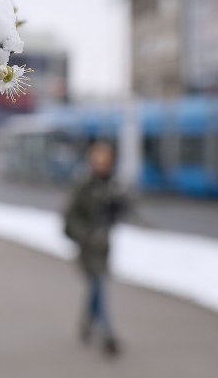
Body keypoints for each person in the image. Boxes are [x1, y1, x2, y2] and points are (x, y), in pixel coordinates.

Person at [63, 141, 130, 357]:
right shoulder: (83, 186)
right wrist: (88, 236)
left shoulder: (113, 186)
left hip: (104, 248)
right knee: (99, 286)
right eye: (98, 159)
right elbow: (69, 221)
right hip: (88, 249)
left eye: (106, 160)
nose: (102, 164)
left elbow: (126, 208)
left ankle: (86, 325)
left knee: (95, 290)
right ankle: (108, 336)